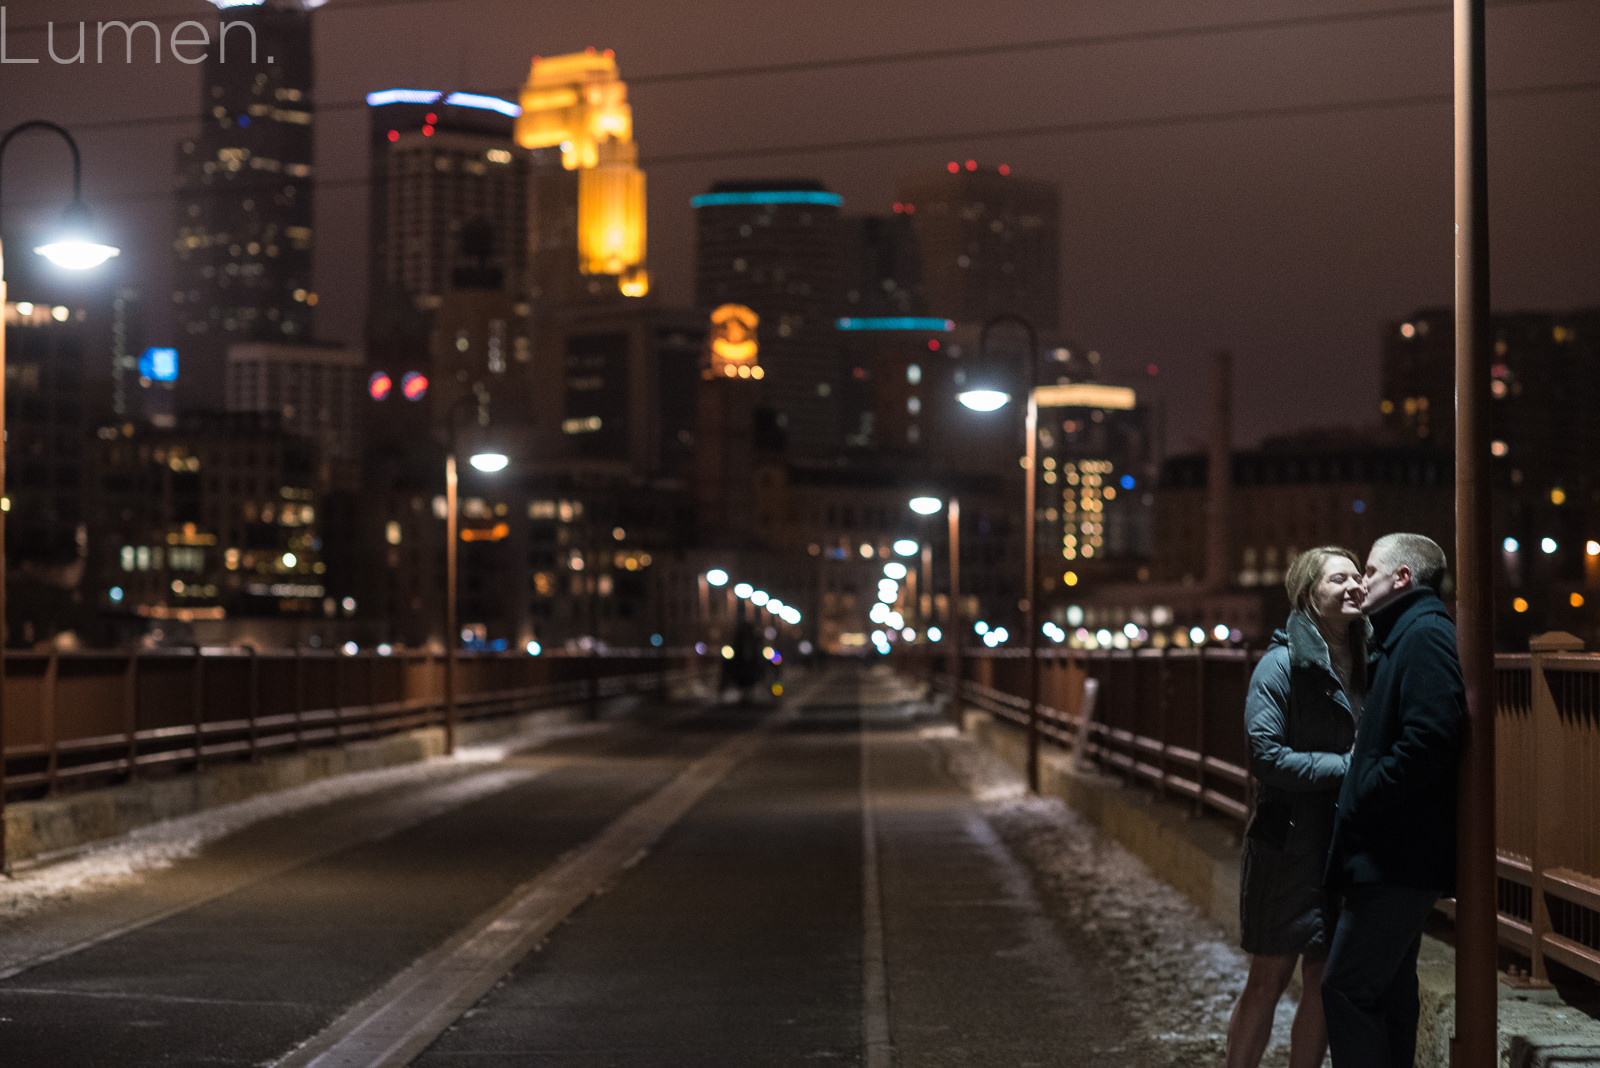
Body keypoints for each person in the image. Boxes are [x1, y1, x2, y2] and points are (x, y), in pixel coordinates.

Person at [1323, 533, 1466, 1067]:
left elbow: (1432, 736)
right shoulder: (1406, 634)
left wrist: (1366, 786)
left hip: (1396, 856)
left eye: (1370, 570)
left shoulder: (1423, 636)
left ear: (1402, 578)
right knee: (1387, 991)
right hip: (1397, 852)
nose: (1361, 581)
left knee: (1347, 987)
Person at [1227, 547, 1368, 1068]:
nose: (1355, 585)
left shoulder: (1371, 663)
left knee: (1325, 980)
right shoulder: (1280, 665)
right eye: (1340, 578)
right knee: (1268, 979)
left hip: (1342, 845)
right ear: (1310, 594)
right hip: (1286, 845)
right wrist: (1345, 768)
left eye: (1358, 576)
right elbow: (1265, 756)